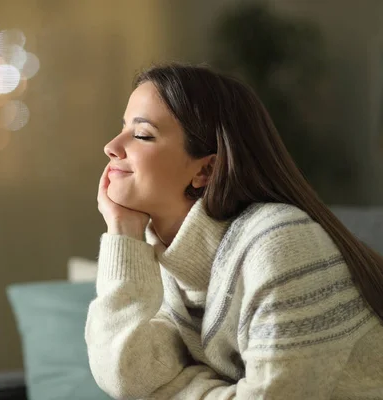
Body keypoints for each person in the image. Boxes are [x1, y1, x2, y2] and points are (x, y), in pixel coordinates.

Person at [85, 63, 383, 399]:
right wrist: (123, 232)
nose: (112, 146)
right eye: (123, 128)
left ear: (207, 168)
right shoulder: (175, 267)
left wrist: (172, 389)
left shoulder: (280, 242)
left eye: (142, 134)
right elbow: (125, 375)